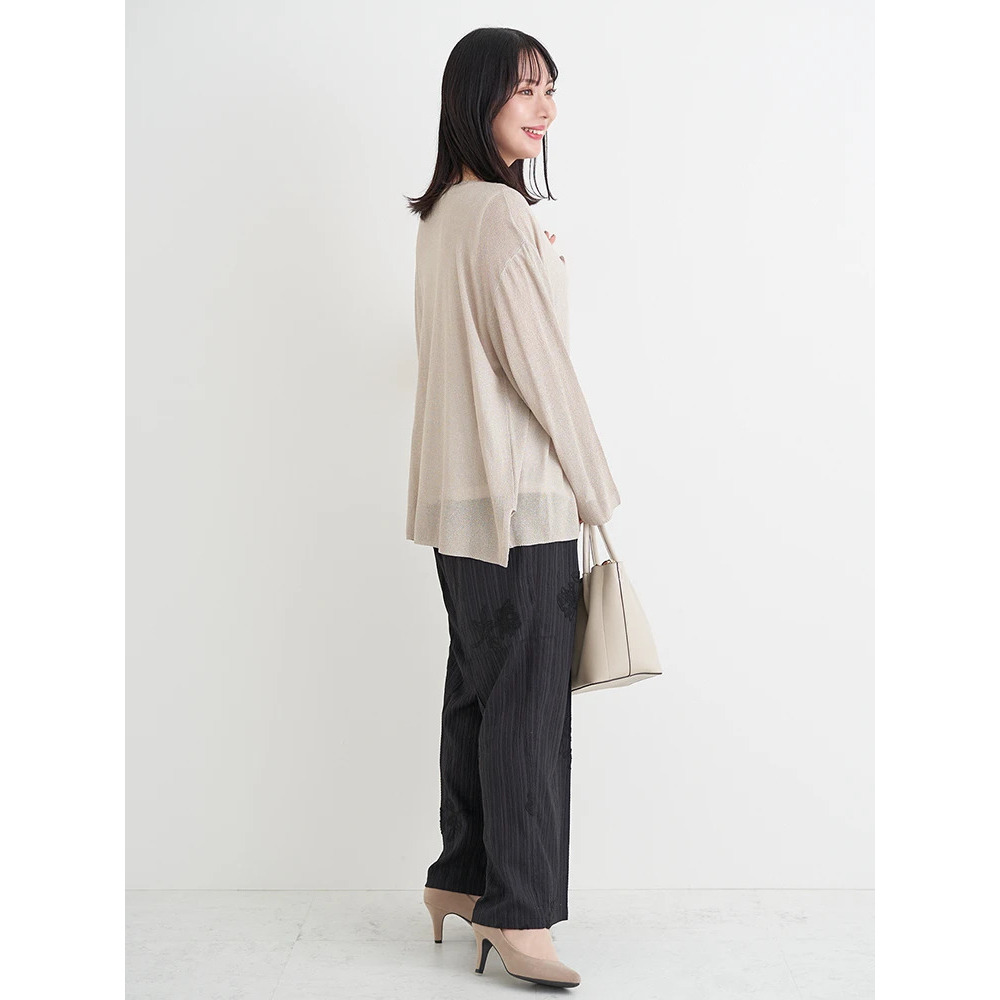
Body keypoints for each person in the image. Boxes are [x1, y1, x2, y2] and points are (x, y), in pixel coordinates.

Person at [404, 26, 620, 989]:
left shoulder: (444, 214)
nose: (546, 109)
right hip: (521, 500)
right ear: (477, 96)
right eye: (525, 89)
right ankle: (519, 912)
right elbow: (540, 370)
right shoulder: (498, 214)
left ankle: (461, 876)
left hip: (457, 498)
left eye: (551, 89)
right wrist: (595, 486)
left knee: (479, 691)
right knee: (527, 709)